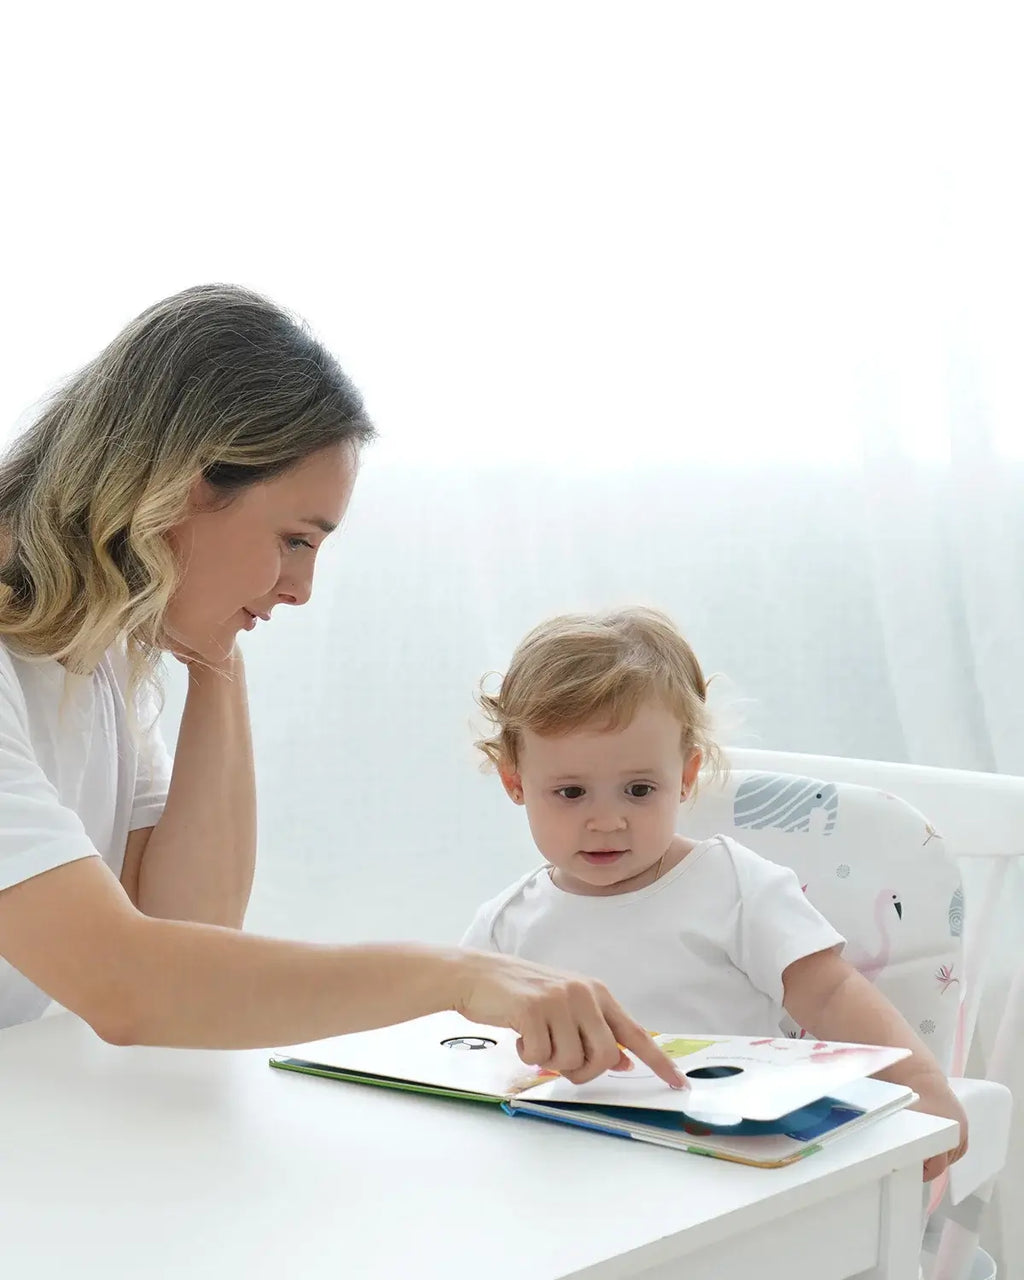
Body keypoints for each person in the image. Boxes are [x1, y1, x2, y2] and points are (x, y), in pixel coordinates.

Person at [0, 284, 684, 1091]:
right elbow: (129, 988)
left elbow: (187, 927)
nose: (301, 589)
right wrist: (459, 978)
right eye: (295, 540)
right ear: (183, 485)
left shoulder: (93, 657)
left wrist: (218, 660)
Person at [461, 606, 968, 1180]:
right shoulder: (505, 925)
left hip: (733, 1158)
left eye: (638, 790)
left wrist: (920, 1086)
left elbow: (830, 996)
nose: (607, 821)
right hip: (569, 1165)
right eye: (571, 792)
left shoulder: (734, 887)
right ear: (515, 782)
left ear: (685, 776)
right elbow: (460, 1049)